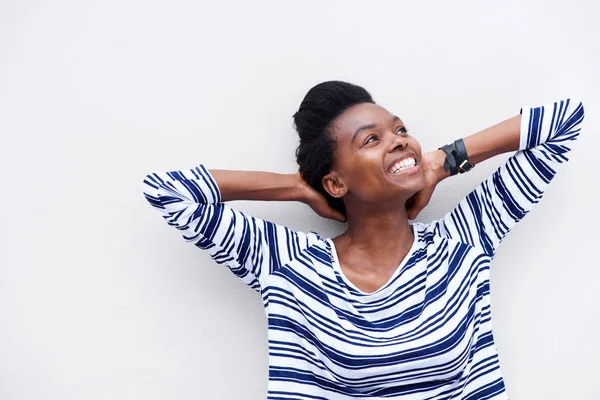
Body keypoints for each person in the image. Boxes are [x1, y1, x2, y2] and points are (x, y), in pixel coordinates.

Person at [142, 81, 585, 399]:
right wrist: (297, 188)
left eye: (399, 129)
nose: (399, 142)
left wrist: (446, 160)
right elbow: (168, 192)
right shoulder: (288, 263)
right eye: (371, 140)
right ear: (336, 183)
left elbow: (564, 122)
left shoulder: (463, 241)